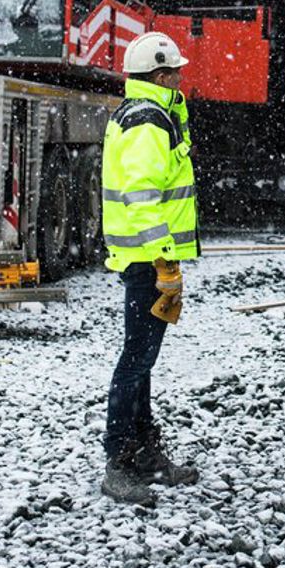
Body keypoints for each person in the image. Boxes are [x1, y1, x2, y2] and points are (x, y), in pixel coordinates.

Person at [99, 31, 201, 506]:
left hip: (146, 258)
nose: (181, 77)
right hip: (147, 259)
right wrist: (165, 262)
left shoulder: (148, 116)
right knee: (136, 360)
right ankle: (119, 460)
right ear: (161, 76)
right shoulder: (148, 123)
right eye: (175, 71)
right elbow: (142, 200)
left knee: (142, 359)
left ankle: (143, 453)